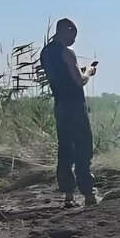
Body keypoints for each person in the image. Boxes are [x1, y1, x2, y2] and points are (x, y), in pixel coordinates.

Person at [39, 19, 98, 207]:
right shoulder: (67, 52)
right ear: (67, 30)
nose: (74, 39)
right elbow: (79, 81)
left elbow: (63, 76)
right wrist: (88, 71)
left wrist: (77, 72)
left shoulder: (46, 52)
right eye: (74, 34)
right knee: (83, 146)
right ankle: (88, 194)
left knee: (65, 149)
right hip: (74, 105)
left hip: (60, 105)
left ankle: (68, 196)